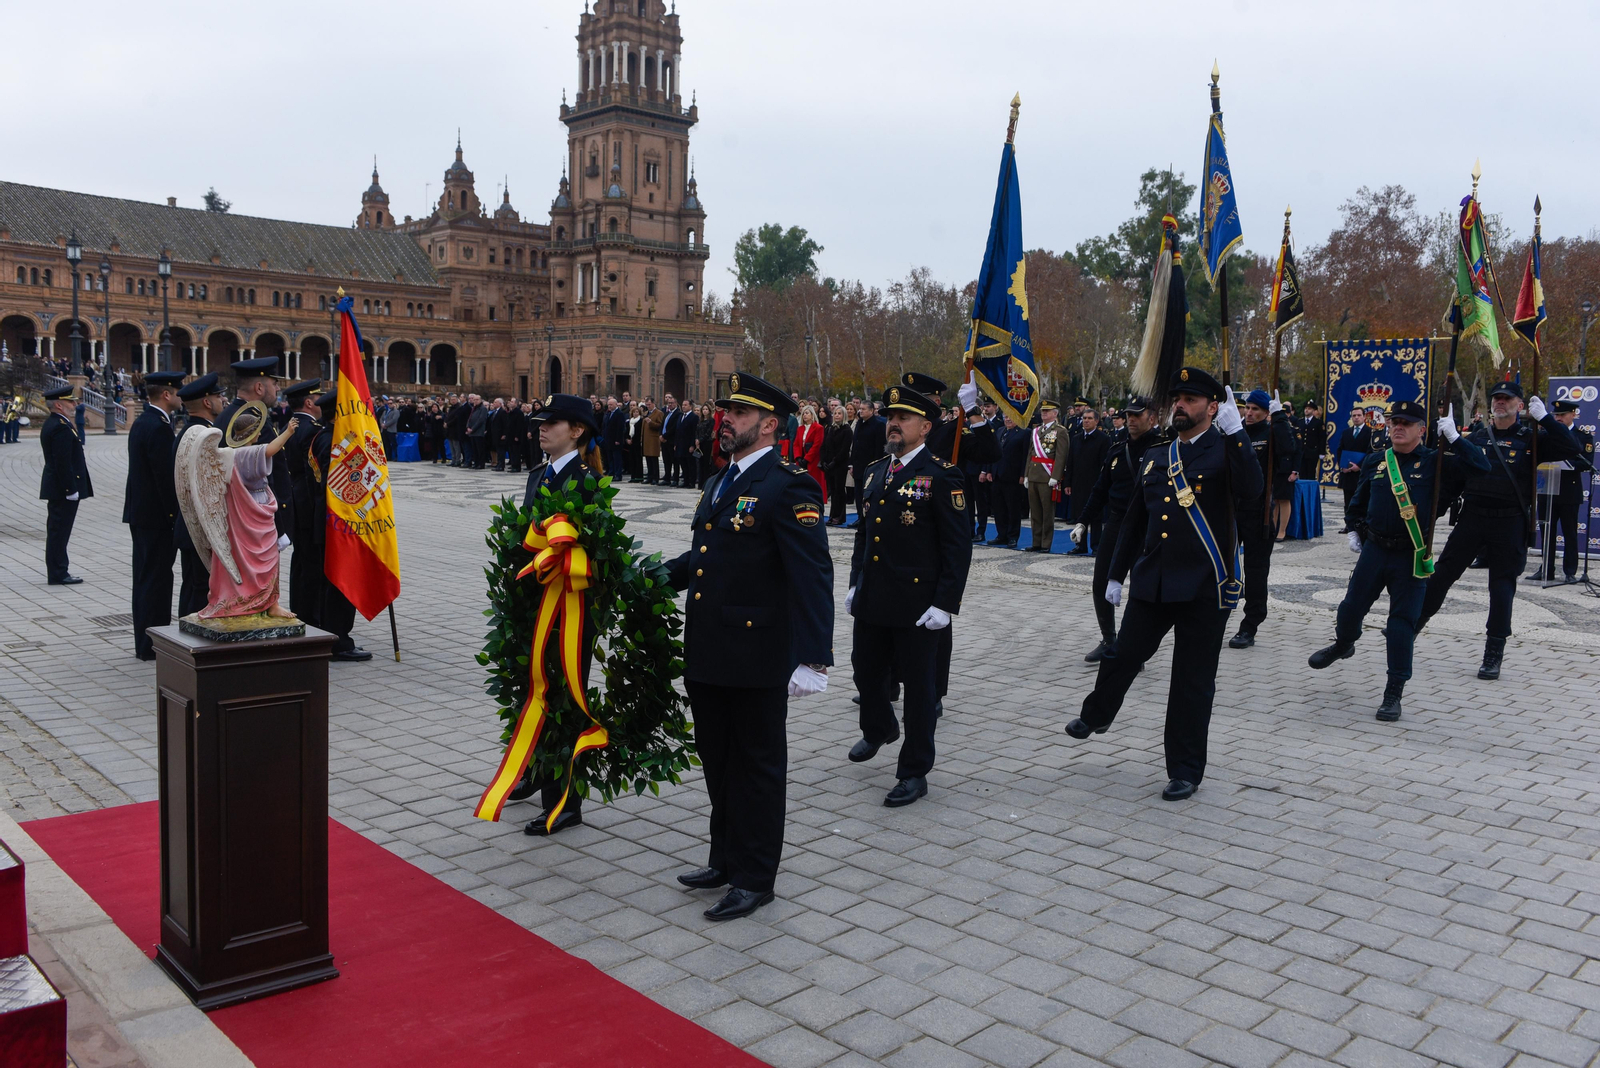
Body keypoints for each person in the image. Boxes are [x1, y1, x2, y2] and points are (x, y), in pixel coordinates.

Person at [666, 373, 832, 921]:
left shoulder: (790, 486)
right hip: (709, 648)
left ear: (768, 424)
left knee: (757, 768)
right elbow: (707, 556)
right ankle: (725, 857)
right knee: (718, 761)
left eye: (736, 413)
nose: (724, 419)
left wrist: (813, 657)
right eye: (724, 411)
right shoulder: (721, 481)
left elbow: (812, 575)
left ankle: (756, 877)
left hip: (758, 655)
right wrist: (654, 577)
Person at [1064, 368, 1262, 802]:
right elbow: (1135, 519)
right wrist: (1116, 573)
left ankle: (1185, 770)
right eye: (1178, 398)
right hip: (1153, 580)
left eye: (1191, 399)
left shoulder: (1227, 449)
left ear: (1213, 407)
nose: (1180, 405)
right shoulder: (1157, 455)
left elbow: (1252, 491)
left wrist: (1239, 437)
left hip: (1204, 586)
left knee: (1191, 682)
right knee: (1122, 654)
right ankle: (1097, 713)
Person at [1308, 402, 1488, 721]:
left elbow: (1482, 468)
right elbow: (1358, 500)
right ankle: (1343, 643)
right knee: (1350, 609)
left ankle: (1394, 691)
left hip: (1411, 553)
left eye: (1407, 423)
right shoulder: (1378, 460)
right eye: (1394, 422)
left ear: (1422, 430)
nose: (1398, 428)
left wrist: (1457, 439)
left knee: (1401, 624)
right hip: (1375, 550)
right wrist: (1354, 528)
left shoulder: (1435, 463)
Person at [846, 384, 971, 807]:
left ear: (925, 426)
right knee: (865, 671)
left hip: (919, 605)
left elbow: (958, 547)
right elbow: (865, 534)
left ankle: (914, 771)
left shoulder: (942, 475)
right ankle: (880, 728)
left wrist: (945, 604)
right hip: (874, 596)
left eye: (903, 418)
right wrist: (853, 582)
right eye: (890, 416)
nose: (893, 423)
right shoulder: (877, 469)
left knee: (919, 693)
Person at [1415, 381, 1579, 679]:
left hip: (1509, 521)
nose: (1500, 403)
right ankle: (1413, 626)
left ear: (1520, 404)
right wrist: (1430, 519)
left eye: (1507, 398)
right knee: (1441, 575)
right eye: (1496, 399)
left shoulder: (1531, 438)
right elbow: (1452, 483)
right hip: (1473, 517)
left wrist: (1545, 419)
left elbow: (1572, 448)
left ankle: (1494, 652)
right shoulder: (1476, 437)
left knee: (1501, 588)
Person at [505, 394, 606, 835]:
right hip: (536, 604)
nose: (541, 429)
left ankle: (566, 802)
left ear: (577, 431)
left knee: (566, 700)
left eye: (552, 423)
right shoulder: (539, 474)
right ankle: (539, 772)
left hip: (570, 609)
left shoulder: (588, 484)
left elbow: (595, 554)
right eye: (540, 423)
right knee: (536, 691)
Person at [1072, 397, 1164, 661]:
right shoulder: (1117, 450)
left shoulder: (1163, 449)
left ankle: (1134, 646)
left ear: (1153, 417)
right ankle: (1109, 639)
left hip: (1148, 526)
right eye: (1129, 415)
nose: (1132, 419)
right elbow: (1100, 490)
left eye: (1138, 415)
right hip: (1117, 522)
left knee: (1142, 587)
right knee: (1102, 580)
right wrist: (1083, 521)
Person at [1228, 389, 1297, 649]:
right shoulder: (1237, 432)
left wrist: (1279, 417)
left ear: (1266, 413)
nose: (1249, 413)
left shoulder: (1270, 433)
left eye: (1256, 409)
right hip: (1233, 510)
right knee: (1222, 567)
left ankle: (1250, 625)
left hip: (1260, 513)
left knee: (1256, 572)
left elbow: (1288, 448)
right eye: (1247, 408)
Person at [123, 371, 185, 659]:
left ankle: (144, 641)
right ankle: (150, 645)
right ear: (167, 395)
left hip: (142, 514)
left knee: (146, 578)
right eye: (178, 391)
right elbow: (164, 478)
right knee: (156, 581)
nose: (181, 397)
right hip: (156, 518)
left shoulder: (145, 421)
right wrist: (175, 516)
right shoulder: (158, 427)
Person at [308, 390, 374, 662]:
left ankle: (332, 635)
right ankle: (339, 641)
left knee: (331, 583)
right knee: (340, 585)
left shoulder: (321, 436)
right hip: (338, 523)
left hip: (327, 520)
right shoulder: (334, 440)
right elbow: (336, 485)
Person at [173, 373, 229, 617]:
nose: (222, 401)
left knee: (193, 587)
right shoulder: (205, 437)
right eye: (218, 396)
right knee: (200, 590)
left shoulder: (187, 432)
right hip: (201, 528)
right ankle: (193, 645)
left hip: (189, 525)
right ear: (207, 402)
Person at [218, 357, 292, 539]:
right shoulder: (253, 420)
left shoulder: (227, 415)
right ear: (259, 388)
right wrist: (279, 529)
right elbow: (263, 478)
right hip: (255, 524)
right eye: (274, 383)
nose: (278, 388)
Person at [1528, 399, 1594, 583]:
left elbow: (1587, 462)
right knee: (1546, 530)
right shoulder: (1546, 433)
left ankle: (1570, 570)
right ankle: (1546, 568)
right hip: (1547, 489)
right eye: (1556, 415)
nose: (1558, 418)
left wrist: (1566, 465)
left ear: (1573, 414)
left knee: (1569, 532)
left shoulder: (1583, 436)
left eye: (1562, 415)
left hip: (1568, 491)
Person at [278, 379, 323, 622]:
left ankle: (298, 608)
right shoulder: (312, 429)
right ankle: (310, 615)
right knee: (312, 565)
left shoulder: (289, 426)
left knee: (300, 562)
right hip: (308, 503)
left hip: (294, 499)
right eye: (318, 399)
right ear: (308, 402)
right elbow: (312, 475)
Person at [39, 384, 92, 585]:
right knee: (59, 532)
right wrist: (70, 489)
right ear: (59, 405)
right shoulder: (60, 427)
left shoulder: (58, 423)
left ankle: (59, 569)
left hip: (59, 488)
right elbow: (63, 462)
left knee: (58, 531)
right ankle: (58, 572)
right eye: (70, 401)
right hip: (62, 490)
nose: (74, 404)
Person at [1024, 402, 1070, 553]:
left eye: (1047, 411)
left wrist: (1056, 476)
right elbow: (1030, 454)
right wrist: (1026, 475)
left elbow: (1061, 455)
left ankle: (1045, 543)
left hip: (1047, 475)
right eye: (1043, 411)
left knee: (1047, 512)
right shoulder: (1036, 431)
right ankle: (1036, 541)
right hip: (1033, 475)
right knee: (1035, 512)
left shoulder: (1060, 431)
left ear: (1055, 413)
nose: (1043, 413)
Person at [1063, 407, 1111, 554]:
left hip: (1095, 483)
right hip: (1078, 483)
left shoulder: (1103, 439)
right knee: (1079, 514)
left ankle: (1096, 546)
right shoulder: (1076, 438)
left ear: (1096, 421)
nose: (1086, 421)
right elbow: (1070, 462)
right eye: (1084, 418)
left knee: (1096, 517)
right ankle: (1080, 545)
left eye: (1090, 418)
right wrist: (1068, 483)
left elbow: (1105, 463)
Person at [989, 412, 1028, 548]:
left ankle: (1012, 537)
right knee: (999, 509)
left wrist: (1023, 474)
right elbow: (993, 452)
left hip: (1013, 476)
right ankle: (1001, 535)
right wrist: (989, 470)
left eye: (1010, 417)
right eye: (1006, 417)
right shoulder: (1000, 431)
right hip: (997, 474)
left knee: (1013, 509)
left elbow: (1025, 456)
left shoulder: (1024, 432)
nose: (1008, 420)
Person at [848, 401, 887, 527]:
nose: (860, 411)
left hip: (871, 465)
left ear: (871, 411)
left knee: (869, 493)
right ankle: (860, 517)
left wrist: (877, 466)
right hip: (858, 465)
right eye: (860, 409)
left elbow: (879, 447)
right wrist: (851, 464)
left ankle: (868, 517)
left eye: (863, 409)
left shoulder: (878, 425)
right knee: (858, 493)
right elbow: (855, 444)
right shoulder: (860, 423)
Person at [822, 404, 853, 525]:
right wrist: (824, 460)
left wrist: (834, 461)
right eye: (835, 413)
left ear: (844, 415)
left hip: (840, 464)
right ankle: (832, 515)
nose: (837, 415)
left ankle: (839, 516)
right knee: (833, 490)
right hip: (829, 463)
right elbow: (825, 445)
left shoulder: (847, 430)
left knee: (839, 490)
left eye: (839, 413)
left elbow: (844, 449)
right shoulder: (830, 428)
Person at [790, 403, 825, 501]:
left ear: (812, 415)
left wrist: (806, 459)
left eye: (807, 413)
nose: (805, 415)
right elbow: (796, 444)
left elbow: (817, 445)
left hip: (812, 460)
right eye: (803, 413)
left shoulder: (818, 428)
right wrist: (797, 457)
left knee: (813, 481)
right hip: (801, 458)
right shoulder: (800, 428)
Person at [674, 397, 700, 490]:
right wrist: (676, 443)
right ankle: (685, 480)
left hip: (688, 444)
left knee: (690, 464)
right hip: (680, 444)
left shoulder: (694, 417)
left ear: (690, 406)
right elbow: (677, 430)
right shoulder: (681, 416)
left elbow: (694, 432)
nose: (683, 407)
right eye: (683, 405)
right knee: (683, 463)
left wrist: (692, 445)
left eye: (685, 405)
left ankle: (691, 482)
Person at [641, 398, 664, 484]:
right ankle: (649, 477)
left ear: (653, 403)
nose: (648, 406)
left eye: (649, 404)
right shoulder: (646, 413)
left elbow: (660, 425)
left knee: (654, 459)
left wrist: (651, 422)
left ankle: (655, 477)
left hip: (654, 439)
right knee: (648, 459)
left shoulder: (659, 413)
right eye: (647, 405)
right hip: (646, 440)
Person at [660, 392, 681, 486]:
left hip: (671, 440)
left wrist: (665, 436)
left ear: (676, 403)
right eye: (669, 403)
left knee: (674, 461)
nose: (670, 404)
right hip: (664, 440)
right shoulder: (667, 413)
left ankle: (675, 478)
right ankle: (667, 477)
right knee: (666, 460)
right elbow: (663, 425)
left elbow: (674, 428)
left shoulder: (678, 414)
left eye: (672, 403)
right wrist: (661, 435)